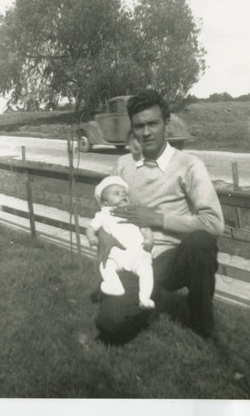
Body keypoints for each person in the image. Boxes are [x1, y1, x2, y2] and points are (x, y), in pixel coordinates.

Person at [94, 89, 224, 343]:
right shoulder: (123, 164)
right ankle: (147, 302)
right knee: (110, 326)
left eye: (153, 123)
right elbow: (105, 209)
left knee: (202, 242)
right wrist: (104, 237)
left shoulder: (189, 165)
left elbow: (214, 223)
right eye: (139, 126)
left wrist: (156, 219)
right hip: (134, 258)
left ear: (166, 123)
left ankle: (201, 319)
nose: (146, 132)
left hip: (173, 260)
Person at [86, 175, 155, 309]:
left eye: (124, 193)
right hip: (116, 255)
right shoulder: (103, 215)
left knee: (147, 271)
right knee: (106, 266)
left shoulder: (133, 212)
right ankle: (115, 286)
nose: (122, 195)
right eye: (116, 193)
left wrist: (149, 239)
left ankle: (145, 298)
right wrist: (92, 238)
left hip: (138, 253)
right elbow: (90, 229)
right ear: (105, 203)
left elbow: (146, 228)